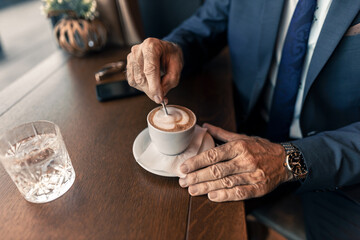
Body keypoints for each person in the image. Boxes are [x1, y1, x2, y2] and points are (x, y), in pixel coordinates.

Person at [126, 0, 360, 238]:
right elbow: (206, 25)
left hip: (341, 166)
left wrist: (288, 160)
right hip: (245, 131)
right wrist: (175, 50)